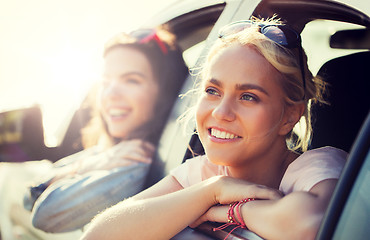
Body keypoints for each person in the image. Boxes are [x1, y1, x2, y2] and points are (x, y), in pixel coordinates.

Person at [80, 17, 348, 240]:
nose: (221, 112)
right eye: (212, 91)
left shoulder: (317, 166)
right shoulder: (203, 174)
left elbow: (310, 225)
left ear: (290, 117)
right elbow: (97, 235)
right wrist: (213, 191)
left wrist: (217, 211)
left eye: (248, 96)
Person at [0, 25, 188, 238]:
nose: (111, 93)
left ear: (164, 94)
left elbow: (43, 215)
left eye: (132, 80)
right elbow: (29, 196)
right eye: (106, 82)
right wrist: (95, 163)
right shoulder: (112, 152)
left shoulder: (137, 161)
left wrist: (88, 166)